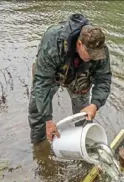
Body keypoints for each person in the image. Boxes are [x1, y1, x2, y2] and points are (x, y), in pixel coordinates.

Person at [28, 13, 112, 145]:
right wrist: (48, 120)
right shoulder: (53, 40)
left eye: (96, 55)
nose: (93, 57)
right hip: (53, 73)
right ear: (79, 44)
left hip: (80, 77)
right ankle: (39, 146)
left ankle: (83, 145)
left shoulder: (101, 50)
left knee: (84, 115)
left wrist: (95, 105)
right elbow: (42, 83)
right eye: (90, 54)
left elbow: (104, 79)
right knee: (38, 110)